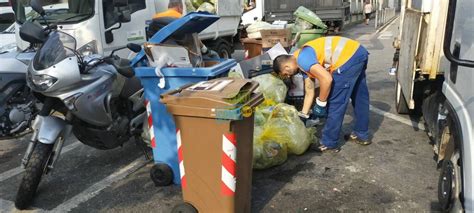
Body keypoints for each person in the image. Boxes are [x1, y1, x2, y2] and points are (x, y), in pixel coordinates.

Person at [273, 36, 371, 152]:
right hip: (358, 52)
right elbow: (310, 91)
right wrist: (303, 115)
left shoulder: (303, 60)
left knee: (335, 103)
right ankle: (361, 134)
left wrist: (321, 103)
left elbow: (326, 79)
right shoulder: (302, 63)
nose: (289, 76)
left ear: (286, 66)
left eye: (286, 74)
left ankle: (329, 143)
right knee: (359, 97)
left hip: (347, 59)